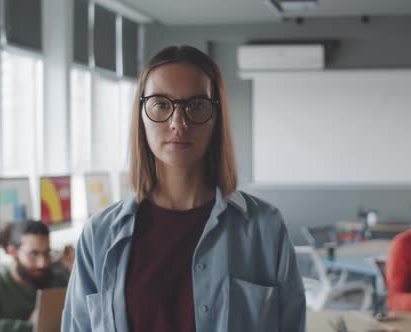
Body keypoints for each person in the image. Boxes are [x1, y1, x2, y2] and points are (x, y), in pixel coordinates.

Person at [62, 45, 305, 332]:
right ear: (141, 114)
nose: (179, 123)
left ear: (216, 117)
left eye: (197, 105)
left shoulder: (264, 228)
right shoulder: (100, 235)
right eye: (161, 104)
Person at [0, 220, 70, 332]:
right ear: (13, 252)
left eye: (46, 253)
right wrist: (31, 326)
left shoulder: (57, 279)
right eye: (33, 254)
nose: (43, 263)